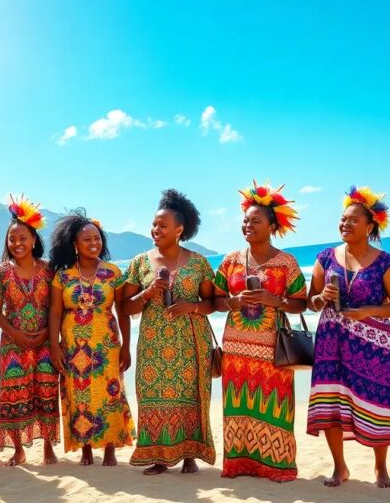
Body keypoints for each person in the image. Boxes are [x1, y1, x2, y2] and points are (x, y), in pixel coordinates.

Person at [307, 186, 390, 488]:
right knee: (331, 402)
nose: (346, 224)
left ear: (370, 226)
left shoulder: (385, 262)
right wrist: (322, 298)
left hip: (373, 342)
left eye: (353, 220)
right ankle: (340, 467)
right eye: (343, 219)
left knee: (377, 399)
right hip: (331, 341)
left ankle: (381, 468)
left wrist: (369, 311)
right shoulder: (325, 257)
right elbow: (310, 301)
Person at [212, 181, 308, 482]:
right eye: (245, 220)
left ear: (272, 226)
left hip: (273, 348)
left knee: (276, 404)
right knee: (237, 406)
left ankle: (277, 466)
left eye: (255, 221)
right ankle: (239, 464)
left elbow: (301, 303)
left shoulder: (287, 262)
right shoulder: (230, 261)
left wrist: (274, 301)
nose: (248, 225)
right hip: (236, 347)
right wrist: (234, 301)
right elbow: (214, 301)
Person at [123, 189, 216, 475]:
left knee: (191, 396)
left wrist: (192, 306)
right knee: (152, 395)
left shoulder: (198, 262)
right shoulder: (140, 262)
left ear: (179, 229)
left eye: (163, 225)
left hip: (191, 343)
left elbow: (213, 303)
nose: (156, 229)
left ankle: (190, 455)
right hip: (153, 345)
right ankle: (159, 458)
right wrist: (148, 293)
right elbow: (125, 306)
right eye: (154, 224)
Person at [48, 212, 135, 466]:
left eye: (97, 238)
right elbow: (55, 312)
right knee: (79, 394)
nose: (93, 243)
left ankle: (110, 447)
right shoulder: (63, 276)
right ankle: (85, 447)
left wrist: (126, 346)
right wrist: (54, 346)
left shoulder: (112, 272)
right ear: (75, 244)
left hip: (106, 344)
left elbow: (122, 311)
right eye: (87, 239)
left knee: (110, 392)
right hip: (73, 345)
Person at [0, 195, 59, 466]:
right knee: (14, 394)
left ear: (33, 240)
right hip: (12, 343)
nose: (17, 243)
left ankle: (48, 448)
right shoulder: (0, 273)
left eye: (22, 238)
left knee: (47, 391)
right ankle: (18, 449)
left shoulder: (48, 270)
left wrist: (47, 333)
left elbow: (56, 307)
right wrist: (15, 333)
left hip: (45, 340)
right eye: (12, 239)